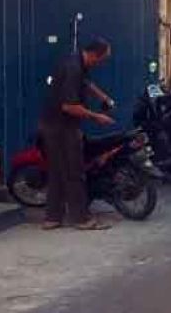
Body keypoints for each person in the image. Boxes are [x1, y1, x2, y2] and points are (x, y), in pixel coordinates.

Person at [39, 37, 117, 230]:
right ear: (93, 55)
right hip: (61, 126)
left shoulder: (76, 62)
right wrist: (96, 116)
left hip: (52, 124)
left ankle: (52, 218)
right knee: (75, 172)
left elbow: (87, 84)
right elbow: (69, 106)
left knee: (57, 171)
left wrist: (104, 98)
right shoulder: (73, 69)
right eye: (101, 59)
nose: (101, 63)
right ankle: (81, 218)